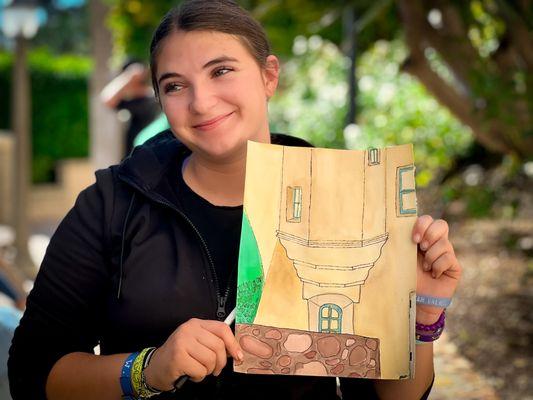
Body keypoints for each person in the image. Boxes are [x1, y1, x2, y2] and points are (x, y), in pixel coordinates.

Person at [8, 1, 462, 399]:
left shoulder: (347, 200)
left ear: (269, 76)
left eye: (221, 71)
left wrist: (419, 319)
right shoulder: (110, 204)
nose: (202, 102)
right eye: (175, 85)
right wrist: (147, 369)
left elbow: (392, 396)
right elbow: (33, 374)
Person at [100, 59, 161, 156]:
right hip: (133, 154)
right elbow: (106, 98)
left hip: (154, 151)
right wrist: (128, 76)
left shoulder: (154, 96)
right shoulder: (129, 100)